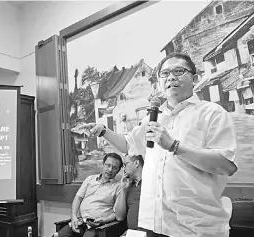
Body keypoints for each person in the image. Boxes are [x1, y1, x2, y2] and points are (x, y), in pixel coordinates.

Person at [79, 53, 238, 237]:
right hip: (155, 224)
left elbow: (226, 165)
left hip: (195, 226)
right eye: (165, 73)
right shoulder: (153, 118)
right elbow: (128, 145)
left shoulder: (212, 113)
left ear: (194, 79)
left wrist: (173, 146)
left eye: (179, 71)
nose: (171, 77)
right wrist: (103, 131)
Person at [56, 153, 124, 237]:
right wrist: (74, 217)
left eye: (114, 168)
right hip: (81, 221)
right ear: (103, 164)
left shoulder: (119, 187)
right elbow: (78, 198)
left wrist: (103, 220)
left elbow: (116, 214)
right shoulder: (90, 179)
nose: (110, 170)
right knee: (57, 235)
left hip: (99, 226)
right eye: (108, 165)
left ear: (118, 170)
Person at [115, 154, 144, 234]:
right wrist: (123, 189)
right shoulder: (128, 186)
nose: (124, 168)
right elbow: (119, 217)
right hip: (132, 232)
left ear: (136, 163)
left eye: (126, 164)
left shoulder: (150, 185)